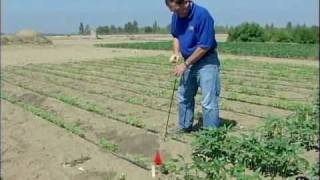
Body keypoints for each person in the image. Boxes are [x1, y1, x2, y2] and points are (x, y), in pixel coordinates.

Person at [165, 0, 222, 132]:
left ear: (186, 2)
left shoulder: (203, 15)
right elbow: (176, 36)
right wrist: (176, 53)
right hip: (188, 60)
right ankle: (185, 127)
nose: (175, 14)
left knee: (208, 101)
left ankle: (211, 135)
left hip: (207, 61)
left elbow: (204, 46)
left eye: (177, 10)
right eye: (173, 11)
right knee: (184, 96)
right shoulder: (176, 16)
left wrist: (185, 65)